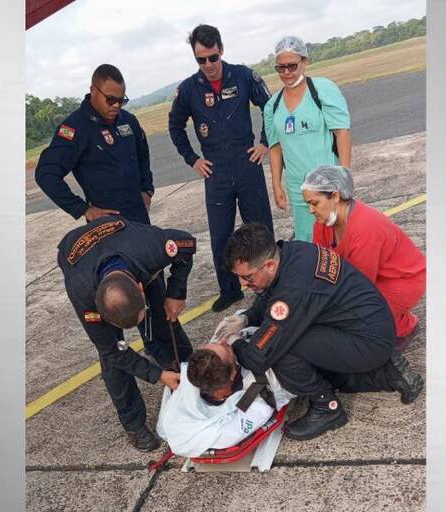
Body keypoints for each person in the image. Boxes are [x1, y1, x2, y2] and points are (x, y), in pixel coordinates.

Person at [212, 223, 423, 441]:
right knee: (313, 363)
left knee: (281, 349)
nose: (243, 284)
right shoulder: (293, 252)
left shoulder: (294, 290)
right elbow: (271, 294)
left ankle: (327, 407)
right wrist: (247, 317)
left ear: (270, 265)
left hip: (367, 341)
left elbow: (258, 358)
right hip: (367, 327)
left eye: (247, 277)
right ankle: (388, 374)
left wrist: (236, 342)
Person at [57, 216, 197, 451]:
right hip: (78, 255)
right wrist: (155, 375)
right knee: (112, 358)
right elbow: (112, 351)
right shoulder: (82, 294)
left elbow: (187, 244)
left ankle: (184, 371)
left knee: (161, 320)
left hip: (128, 249)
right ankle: (134, 424)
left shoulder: (152, 247)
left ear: (140, 287)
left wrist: (176, 292)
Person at [168, 24, 276, 312]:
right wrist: (193, 159)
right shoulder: (189, 89)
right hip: (215, 171)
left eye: (212, 58)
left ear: (221, 50)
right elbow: (175, 127)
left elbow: (271, 107)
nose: (208, 65)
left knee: (260, 228)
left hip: (246, 162)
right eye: (201, 60)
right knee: (220, 236)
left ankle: (272, 284)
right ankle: (230, 290)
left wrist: (265, 142)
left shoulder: (242, 75)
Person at [303, 165, 426, 349]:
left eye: (314, 203)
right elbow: (318, 264)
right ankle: (394, 319)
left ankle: (403, 327)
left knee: (356, 316)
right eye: (308, 204)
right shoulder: (322, 223)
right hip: (376, 276)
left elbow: (359, 288)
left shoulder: (364, 229)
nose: (311, 210)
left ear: (335, 196)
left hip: (405, 279)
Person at [35, 64, 154, 225]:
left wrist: (147, 189)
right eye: (110, 99)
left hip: (139, 216)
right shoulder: (75, 128)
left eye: (121, 100)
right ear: (93, 91)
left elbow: (142, 157)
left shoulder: (128, 120)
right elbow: (46, 174)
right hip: (107, 224)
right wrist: (82, 209)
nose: (116, 106)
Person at [263, 36, 352, 242]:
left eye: (292, 66)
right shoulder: (272, 106)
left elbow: (342, 132)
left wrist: (345, 176)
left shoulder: (322, 90)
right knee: (307, 242)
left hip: (328, 187)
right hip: (299, 191)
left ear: (304, 62)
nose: (286, 73)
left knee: (335, 241)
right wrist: (276, 185)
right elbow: (275, 147)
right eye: (281, 68)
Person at [155, 328, 295, 457]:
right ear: (233, 374)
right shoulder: (258, 394)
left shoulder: (186, 397)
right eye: (226, 348)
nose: (224, 342)